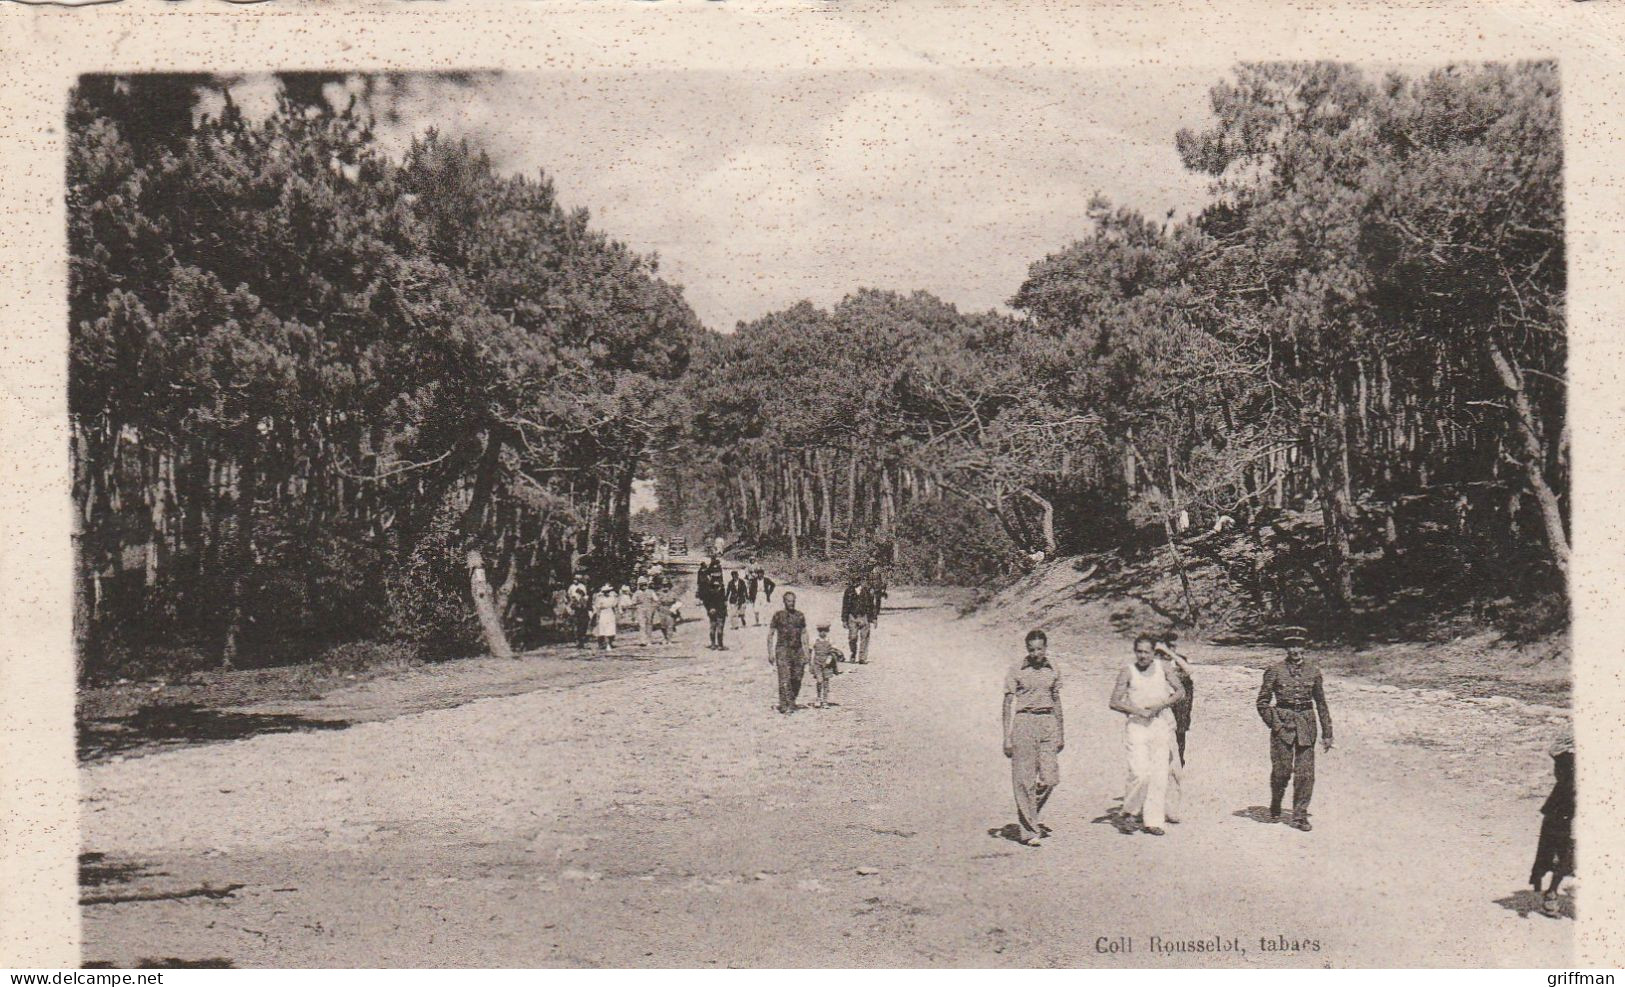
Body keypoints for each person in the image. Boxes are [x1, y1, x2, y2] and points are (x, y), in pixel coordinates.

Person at [1255, 627, 1334, 831]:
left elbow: (1321, 703)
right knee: (1281, 772)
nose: (1295, 650)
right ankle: (1276, 802)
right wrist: (1275, 724)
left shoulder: (1314, 671)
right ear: (1286, 648)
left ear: (1304, 648)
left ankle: (1299, 816)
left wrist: (1327, 733)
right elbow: (1262, 703)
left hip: (1307, 725)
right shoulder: (1275, 670)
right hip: (1282, 724)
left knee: (1305, 773)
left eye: (1298, 646)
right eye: (1291, 646)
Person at [1109, 634, 1186, 836]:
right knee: (1140, 772)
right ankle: (1129, 812)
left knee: (1159, 774)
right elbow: (1114, 701)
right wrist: (1138, 711)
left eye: (1146, 652)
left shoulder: (1164, 668)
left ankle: (1153, 820)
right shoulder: (1128, 671)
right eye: (1139, 651)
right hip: (1137, 725)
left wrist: (1161, 705)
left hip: (1159, 723)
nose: (1142, 656)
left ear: (1153, 653)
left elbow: (1180, 691)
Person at [1003, 628, 1063, 847]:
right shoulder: (1016, 669)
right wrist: (1006, 737)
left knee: (1050, 779)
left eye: (1040, 649)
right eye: (1032, 650)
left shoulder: (1054, 668)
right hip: (1024, 722)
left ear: (1046, 648)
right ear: (1027, 650)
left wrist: (1060, 733)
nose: (1036, 653)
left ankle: (1028, 812)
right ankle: (1029, 831)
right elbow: (1008, 702)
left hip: (1047, 721)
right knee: (1024, 779)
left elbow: (1057, 701)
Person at [1530, 729, 1575, 918]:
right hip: (1567, 808)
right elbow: (1555, 751)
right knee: (1565, 852)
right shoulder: (1568, 756)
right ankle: (1552, 893)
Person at [765, 591, 809, 714]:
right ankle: (785, 705)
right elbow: (770, 634)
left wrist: (806, 652)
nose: (792, 603)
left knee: (798, 677)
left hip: (797, 649)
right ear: (784, 602)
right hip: (782, 649)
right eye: (789, 601)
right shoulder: (778, 615)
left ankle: (792, 700)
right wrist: (770, 652)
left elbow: (804, 633)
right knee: (784, 678)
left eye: (793, 601)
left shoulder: (800, 616)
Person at [1158, 636, 1196, 762]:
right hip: (1165, 697)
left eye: (1173, 647)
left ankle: (1180, 758)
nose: (1172, 649)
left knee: (1181, 729)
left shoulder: (1179, 660)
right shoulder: (1157, 661)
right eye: (1169, 646)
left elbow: (1189, 671)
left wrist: (1172, 655)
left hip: (1182, 699)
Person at [841, 576, 875, 665]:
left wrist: (874, 618)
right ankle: (853, 653)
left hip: (864, 616)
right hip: (852, 616)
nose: (855, 582)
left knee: (865, 637)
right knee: (852, 637)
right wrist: (844, 620)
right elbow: (844, 606)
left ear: (861, 581)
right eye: (853, 580)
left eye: (857, 580)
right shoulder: (848, 591)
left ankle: (862, 658)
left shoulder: (867, 591)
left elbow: (872, 606)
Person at [807, 623, 842, 707]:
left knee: (826, 682)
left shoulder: (830, 640)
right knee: (819, 681)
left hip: (827, 663)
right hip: (817, 663)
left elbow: (834, 651)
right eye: (821, 631)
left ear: (827, 631)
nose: (823, 633)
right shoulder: (814, 640)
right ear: (818, 631)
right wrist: (810, 662)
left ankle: (825, 700)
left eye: (825, 631)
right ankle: (819, 698)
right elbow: (810, 651)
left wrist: (829, 659)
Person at [697, 553, 728, 650]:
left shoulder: (713, 590)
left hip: (716, 610)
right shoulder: (717, 590)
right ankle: (717, 644)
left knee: (715, 627)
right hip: (718, 610)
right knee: (717, 627)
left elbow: (723, 600)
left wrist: (711, 608)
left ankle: (716, 644)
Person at [592, 584, 619, 651]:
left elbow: (614, 606)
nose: (607, 593)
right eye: (605, 591)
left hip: (610, 613)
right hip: (603, 613)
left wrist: (617, 614)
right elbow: (598, 608)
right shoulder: (600, 598)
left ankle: (610, 642)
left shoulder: (612, 598)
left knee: (611, 629)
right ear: (603, 592)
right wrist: (597, 616)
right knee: (604, 629)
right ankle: (607, 644)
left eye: (608, 591)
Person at [568, 573, 592, 648]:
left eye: (577, 579)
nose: (576, 581)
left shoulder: (582, 586)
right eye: (575, 579)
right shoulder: (571, 587)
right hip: (575, 607)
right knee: (576, 624)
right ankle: (578, 640)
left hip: (582, 608)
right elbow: (569, 595)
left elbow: (585, 595)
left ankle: (582, 638)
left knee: (583, 624)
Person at [633, 578, 659, 647]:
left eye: (645, 584)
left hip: (649, 609)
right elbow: (633, 601)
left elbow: (656, 600)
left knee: (649, 624)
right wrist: (637, 605)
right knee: (642, 625)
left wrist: (653, 607)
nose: (643, 586)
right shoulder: (637, 592)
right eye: (642, 585)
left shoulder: (651, 591)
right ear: (639, 585)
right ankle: (643, 641)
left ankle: (649, 640)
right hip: (640, 609)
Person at [654, 579, 677, 645]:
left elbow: (678, 602)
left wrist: (674, 609)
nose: (665, 587)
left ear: (669, 586)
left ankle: (669, 639)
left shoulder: (673, 593)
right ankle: (665, 638)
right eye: (664, 585)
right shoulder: (659, 593)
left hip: (670, 609)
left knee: (670, 625)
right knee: (663, 626)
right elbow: (657, 602)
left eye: (666, 585)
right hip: (662, 609)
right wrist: (658, 607)